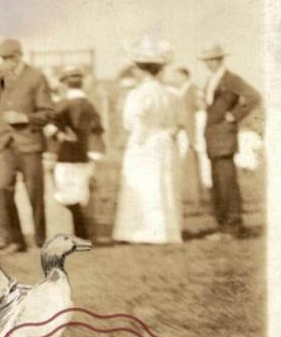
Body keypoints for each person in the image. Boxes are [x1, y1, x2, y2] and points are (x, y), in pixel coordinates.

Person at [112, 39, 183, 245]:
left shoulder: (139, 93)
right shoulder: (169, 93)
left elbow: (131, 121)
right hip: (163, 141)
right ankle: (164, 231)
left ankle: (143, 231)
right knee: (162, 183)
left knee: (144, 184)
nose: (134, 72)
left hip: (144, 141)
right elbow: (175, 121)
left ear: (141, 70)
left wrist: (141, 132)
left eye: (136, 68)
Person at [0, 39, 54, 252]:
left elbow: (48, 112)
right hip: (6, 144)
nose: (6, 62)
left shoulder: (36, 77)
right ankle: (16, 241)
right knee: (3, 190)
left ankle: (40, 241)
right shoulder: (2, 79)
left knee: (34, 194)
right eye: (3, 58)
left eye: (10, 57)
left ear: (20, 55)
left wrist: (25, 118)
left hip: (29, 144)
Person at [198, 44, 261, 240]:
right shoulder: (211, 80)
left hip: (224, 136)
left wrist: (234, 115)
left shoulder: (231, 79)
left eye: (212, 60)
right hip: (213, 137)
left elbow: (254, 96)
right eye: (206, 61)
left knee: (226, 181)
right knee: (218, 182)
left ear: (220, 60)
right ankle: (223, 226)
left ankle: (232, 227)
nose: (209, 64)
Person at [48, 67, 104, 241]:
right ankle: (83, 233)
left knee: (66, 194)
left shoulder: (63, 105)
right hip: (84, 154)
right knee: (80, 193)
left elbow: (50, 128)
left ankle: (80, 233)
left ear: (65, 84)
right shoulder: (90, 105)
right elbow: (97, 130)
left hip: (66, 153)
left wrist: (58, 133)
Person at [167, 66, 206, 209]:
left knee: (191, 161)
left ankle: (195, 196)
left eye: (177, 76)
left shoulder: (192, 89)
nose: (175, 79)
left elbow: (200, 109)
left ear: (184, 76)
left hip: (191, 130)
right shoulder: (181, 91)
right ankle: (188, 195)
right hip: (182, 129)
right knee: (183, 161)